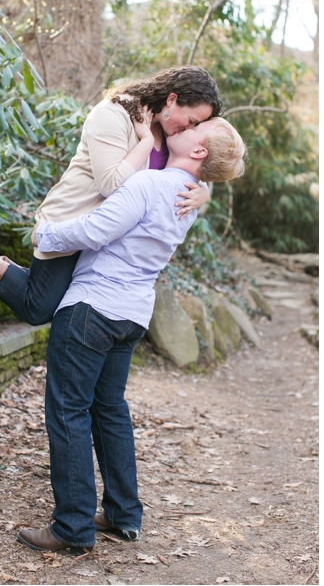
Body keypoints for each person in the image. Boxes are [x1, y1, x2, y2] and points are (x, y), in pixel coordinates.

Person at [14, 117, 246, 553]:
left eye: (200, 126)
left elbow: (94, 230)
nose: (190, 123)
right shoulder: (188, 198)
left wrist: (45, 232)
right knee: (109, 411)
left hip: (92, 308)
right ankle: (123, 514)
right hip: (131, 316)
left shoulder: (148, 185)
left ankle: (72, 527)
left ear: (198, 152)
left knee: (68, 412)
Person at [0, 66, 223, 325]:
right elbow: (111, 184)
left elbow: (188, 169)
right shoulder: (114, 114)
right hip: (74, 221)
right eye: (192, 120)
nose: (191, 129)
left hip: (105, 239)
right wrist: (144, 141)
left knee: (51, 302)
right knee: (38, 309)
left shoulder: (172, 135)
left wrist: (204, 193)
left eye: (197, 126)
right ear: (172, 100)